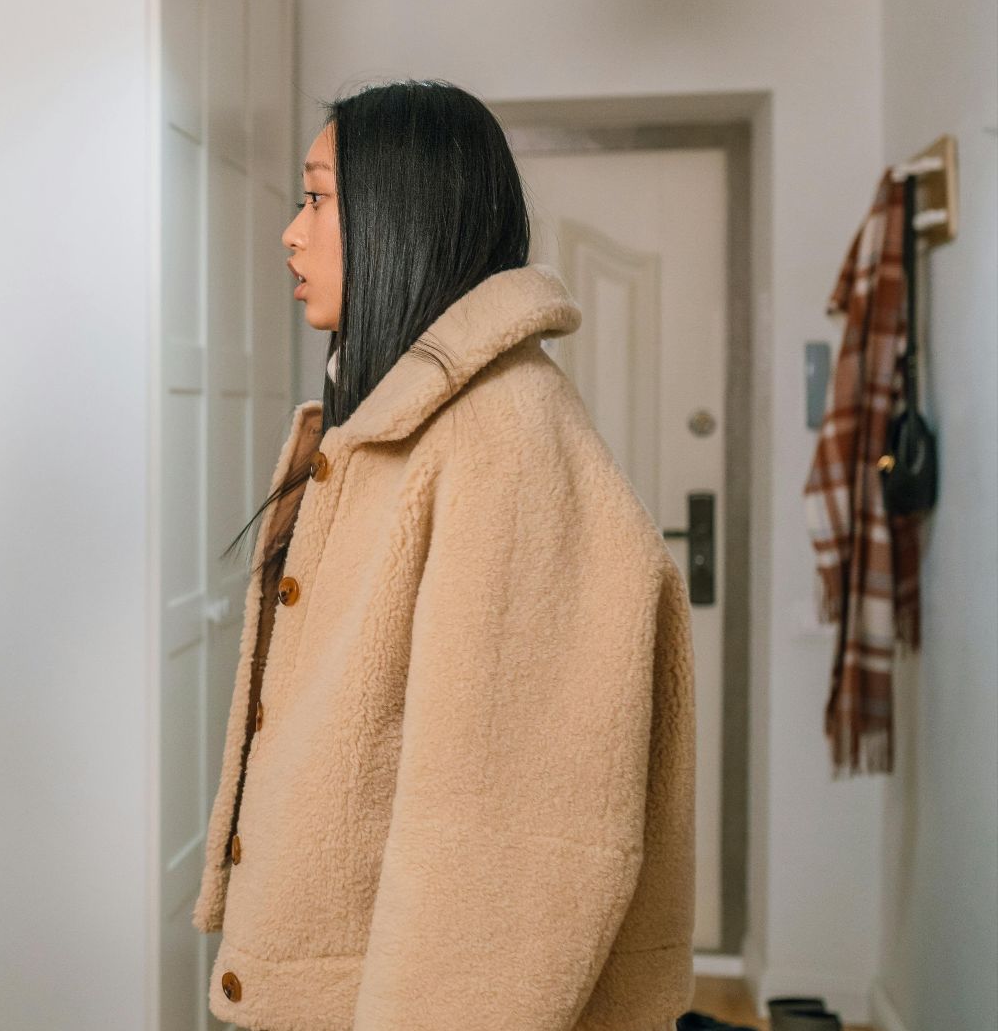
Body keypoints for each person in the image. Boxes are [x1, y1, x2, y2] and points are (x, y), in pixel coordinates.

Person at [194, 80, 697, 1030]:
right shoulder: (405, 426)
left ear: (400, 217)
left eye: (316, 199)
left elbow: (509, 845)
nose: (291, 235)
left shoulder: (505, 440)